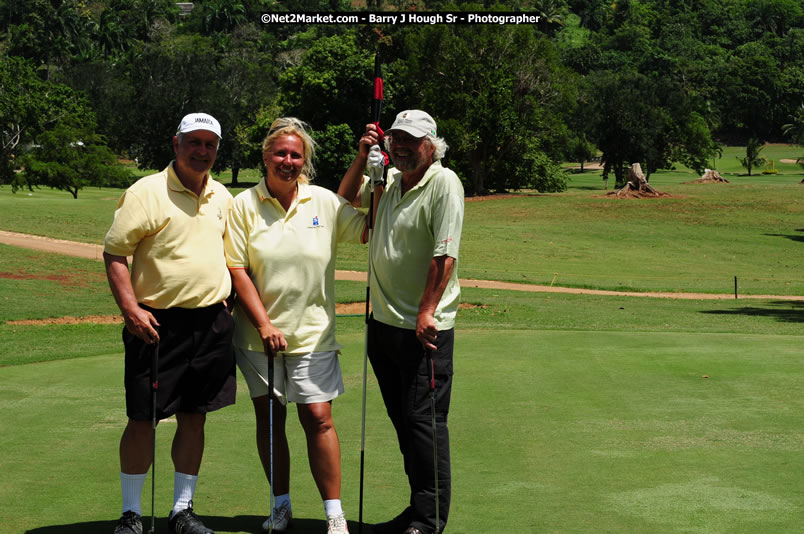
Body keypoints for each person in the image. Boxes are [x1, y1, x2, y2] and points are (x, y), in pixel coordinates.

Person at [223, 117, 367, 534]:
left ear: (304, 160)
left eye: (296, 154)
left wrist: (365, 165)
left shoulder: (323, 202)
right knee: (269, 419)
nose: (288, 160)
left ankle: (334, 513)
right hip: (256, 337)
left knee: (319, 417)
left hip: (313, 333)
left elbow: (363, 227)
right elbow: (236, 268)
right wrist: (264, 324)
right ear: (266, 156)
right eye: (281, 153)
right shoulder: (243, 206)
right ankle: (281, 505)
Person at [104, 112, 236, 534]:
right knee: (144, 417)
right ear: (176, 143)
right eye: (194, 142)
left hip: (211, 323)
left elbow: (229, 255)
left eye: (209, 144)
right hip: (156, 324)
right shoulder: (147, 191)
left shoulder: (222, 196)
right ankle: (131, 514)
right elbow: (115, 253)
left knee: (195, 416)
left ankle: (183, 511)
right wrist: (130, 309)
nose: (202, 151)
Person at [339, 110, 464, 534]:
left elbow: (444, 255)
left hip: (423, 330)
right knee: (404, 424)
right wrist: (364, 162)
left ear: (431, 144)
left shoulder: (443, 183)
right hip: (384, 324)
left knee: (425, 427)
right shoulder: (387, 182)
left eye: (411, 140)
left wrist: (427, 310)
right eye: (396, 139)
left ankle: (429, 521)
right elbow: (344, 206)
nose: (402, 146)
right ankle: (415, 511)